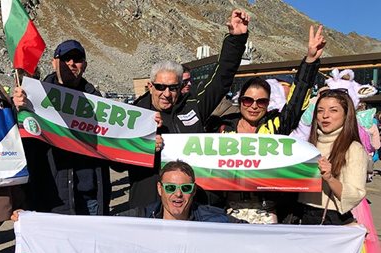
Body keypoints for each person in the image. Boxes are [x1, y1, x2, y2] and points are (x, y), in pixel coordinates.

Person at [127, 9, 250, 210]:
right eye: (160, 87)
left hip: (189, 206)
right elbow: (113, 160)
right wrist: (140, 145)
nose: (166, 93)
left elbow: (221, 80)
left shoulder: (193, 106)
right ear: (151, 86)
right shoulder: (134, 115)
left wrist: (236, 40)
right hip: (148, 208)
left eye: (173, 88)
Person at [214, 25, 325, 223]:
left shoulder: (275, 125)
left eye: (261, 102)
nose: (254, 106)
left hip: (267, 212)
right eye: (248, 100)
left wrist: (310, 61)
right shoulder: (222, 128)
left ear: (267, 104)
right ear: (240, 102)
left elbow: (296, 103)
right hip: (229, 211)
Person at [13, 40, 111, 215]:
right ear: (54, 62)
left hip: (89, 200)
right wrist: (18, 110)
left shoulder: (98, 102)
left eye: (77, 59)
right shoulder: (35, 98)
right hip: (50, 199)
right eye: (66, 58)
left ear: (85, 65)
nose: (71, 63)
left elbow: (114, 150)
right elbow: (21, 144)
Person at [296, 89, 368, 225]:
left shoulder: (353, 148)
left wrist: (329, 178)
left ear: (346, 115)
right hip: (300, 215)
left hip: (329, 218)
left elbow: (355, 194)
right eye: (320, 110)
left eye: (333, 110)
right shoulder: (307, 145)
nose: (325, 116)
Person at [119, 160, 233, 222]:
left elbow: (245, 230)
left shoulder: (212, 219)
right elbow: (106, 226)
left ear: (193, 191)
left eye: (185, 188)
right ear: (160, 189)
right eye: (170, 188)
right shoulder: (141, 218)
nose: (178, 194)